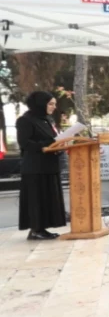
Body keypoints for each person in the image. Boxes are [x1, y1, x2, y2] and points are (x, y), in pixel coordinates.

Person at [16, 91, 66, 240]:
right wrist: (46, 145)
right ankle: (36, 229)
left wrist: (59, 145)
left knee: (47, 198)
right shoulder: (25, 120)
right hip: (35, 167)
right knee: (37, 199)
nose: (54, 107)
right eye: (50, 104)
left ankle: (42, 228)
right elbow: (25, 143)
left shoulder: (46, 120)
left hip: (49, 165)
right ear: (40, 104)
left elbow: (52, 139)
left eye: (54, 104)